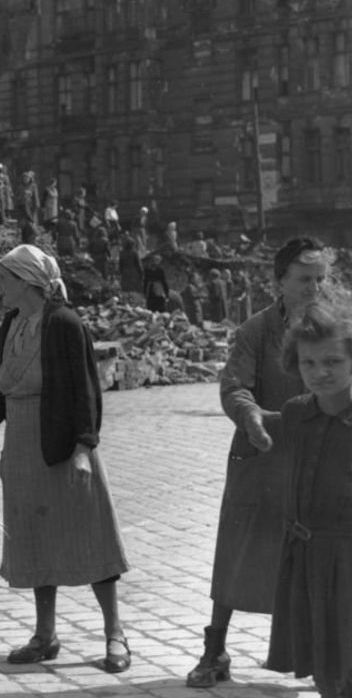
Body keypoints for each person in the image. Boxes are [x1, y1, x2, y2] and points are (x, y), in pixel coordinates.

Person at [0, 245, 130, 673]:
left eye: (4, 279)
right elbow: (1, 389)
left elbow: (85, 389)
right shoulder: (11, 324)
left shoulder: (65, 324)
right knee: (34, 536)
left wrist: (84, 448)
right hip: (21, 443)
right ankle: (45, 633)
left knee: (89, 534)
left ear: (27, 281)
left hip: (63, 444)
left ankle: (115, 633)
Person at [187, 237, 327, 688]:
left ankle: (330, 656)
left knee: (326, 558)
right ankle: (215, 649)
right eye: (305, 279)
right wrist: (250, 417)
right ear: (279, 281)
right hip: (263, 455)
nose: (315, 287)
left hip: (321, 460)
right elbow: (235, 387)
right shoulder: (256, 330)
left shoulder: (335, 327)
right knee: (239, 552)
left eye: (321, 278)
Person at [265, 302, 352, 698]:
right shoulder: (295, 415)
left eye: (333, 360)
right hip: (309, 560)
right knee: (325, 667)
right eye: (308, 363)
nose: (320, 372)